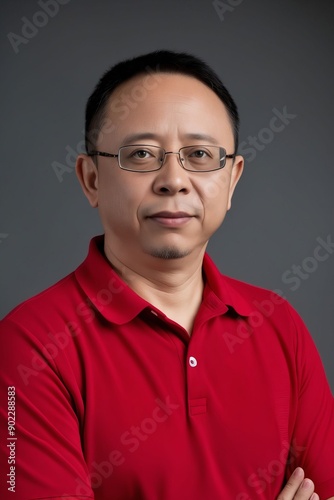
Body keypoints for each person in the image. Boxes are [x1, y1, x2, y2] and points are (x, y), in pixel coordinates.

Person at [0, 50, 333, 500]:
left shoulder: (279, 323)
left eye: (199, 154)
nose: (173, 180)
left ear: (232, 180)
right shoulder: (29, 344)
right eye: (141, 154)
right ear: (91, 179)